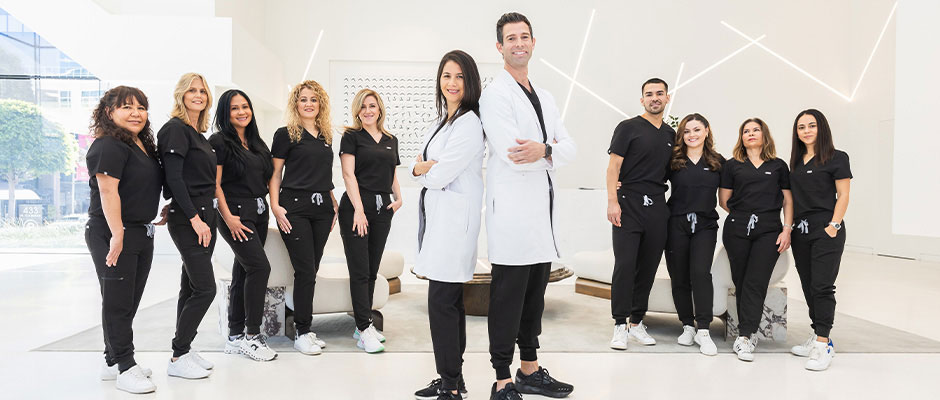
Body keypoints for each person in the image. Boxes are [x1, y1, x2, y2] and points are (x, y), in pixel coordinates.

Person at [479, 12, 576, 400]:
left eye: (524, 37)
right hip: (512, 214)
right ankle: (502, 379)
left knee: (535, 298)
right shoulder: (494, 94)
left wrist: (545, 149)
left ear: (533, 43)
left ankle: (529, 371)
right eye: (511, 38)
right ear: (500, 47)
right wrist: (549, 152)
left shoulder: (546, 97)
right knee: (508, 299)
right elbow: (513, 153)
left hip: (540, 216)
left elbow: (570, 147)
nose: (519, 43)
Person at [411, 50, 485, 400]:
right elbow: (418, 166)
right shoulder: (443, 121)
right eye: (446, 75)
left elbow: (438, 175)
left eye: (459, 76)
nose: (452, 83)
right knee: (450, 302)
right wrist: (421, 169)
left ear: (470, 82)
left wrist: (423, 170)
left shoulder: (469, 123)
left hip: (454, 224)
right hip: (441, 221)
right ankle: (453, 378)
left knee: (442, 302)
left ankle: (450, 385)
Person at [86, 86, 162, 394]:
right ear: (109, 112)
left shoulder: (140, 145)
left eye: (141, 108)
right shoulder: (108, 145)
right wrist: (117, 233)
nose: (136, 113)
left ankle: (112, 360)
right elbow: (108, 192)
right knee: (117, 302)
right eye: (127, 107)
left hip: (140, 231)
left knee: (128, 301)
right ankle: (126, 366)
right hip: (112, 231)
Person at [269, 80, 337, 355]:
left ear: (321, 104)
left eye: (313, 99)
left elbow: (323, 173)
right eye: (303, 99)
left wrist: (332, 201)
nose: (309, 104)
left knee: (312, 269)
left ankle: (305, 328)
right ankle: (302, 331)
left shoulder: (326, 135)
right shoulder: (285, 134)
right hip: (294, 208)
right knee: (305, 270)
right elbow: (275, 174)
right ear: (295, 104)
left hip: (323, 209)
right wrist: (275, 206)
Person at [605, 78, 674, 350]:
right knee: (625, 265)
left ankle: (636, 323)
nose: (654, 98)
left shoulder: (670, 135)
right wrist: (612, 201)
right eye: (649, 94)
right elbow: (613, 167)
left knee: (648, 267)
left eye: (659, 93)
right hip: (628, 204)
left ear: (667, 98)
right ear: (642, 99)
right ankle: (619, 325)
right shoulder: (628, 127)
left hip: (657, 206)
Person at [157, 72, 218, 378]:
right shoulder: (174, 130)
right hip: (190, 218)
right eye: (192, 90)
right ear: (181, 94)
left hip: (206, 213)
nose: (198, 95)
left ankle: (184, 348)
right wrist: (194, 218)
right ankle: (178, 355)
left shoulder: (197, 134)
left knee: (191, 286)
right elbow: (174, 178)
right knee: (206, 289)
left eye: (202, 91)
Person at [209, 89, 277, 362]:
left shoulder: (257, 142)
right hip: (235, 213)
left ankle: (235, 335)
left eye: (245, 106)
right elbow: (215, 184)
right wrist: (228, 217)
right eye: (234, 108)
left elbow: (269, 178)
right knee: (260, 267)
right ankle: (252, 335)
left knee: (243, 271)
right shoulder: (219, 141)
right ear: (225, 113)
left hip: (259, 212)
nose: (241, 112)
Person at [718, 117, 793, 362]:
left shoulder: (778, 166)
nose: (750, 134)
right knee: (741, 281)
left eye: (755, 130)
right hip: (737, 229)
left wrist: (786, 229)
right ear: (741, 137)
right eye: (746, 131)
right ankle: (747, 333)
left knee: (756, 281)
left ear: (764, 135)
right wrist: (744, 215)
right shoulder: (732, 165)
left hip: (769, 230)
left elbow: (788, 201)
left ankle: (745, 335)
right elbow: (724, 201)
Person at [338, 89, 402, 354]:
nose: (367, 111)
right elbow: (348, 174)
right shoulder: (351, 137)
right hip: (356, 209)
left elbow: (392, 172)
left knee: (372, 269)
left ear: (379, 109)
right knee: (360, 270)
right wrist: (359, 210)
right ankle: (364, 328)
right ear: (357, 110)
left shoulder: (390, 139)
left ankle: (362, 324)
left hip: (383, 209)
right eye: (363, 106)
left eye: (372, 106)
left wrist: (399, 198)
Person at [788, 109, 851, 371]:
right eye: (801, 127)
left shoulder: (837, 157)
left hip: (826, 229)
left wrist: (833, 226)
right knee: (808, 286)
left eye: (811, 125)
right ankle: (817, 334)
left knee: (823, 286)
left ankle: (823, 344)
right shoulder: (796, 161)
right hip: (801, 231)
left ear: (821, 127)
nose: (806, 131)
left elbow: (843, 194)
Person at [663, 113, 723, 356]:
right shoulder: (673, 160)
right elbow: (650, 180)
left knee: (700, 273)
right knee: (679, 276)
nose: (692, 135)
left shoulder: (718, 162)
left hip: (705, 226)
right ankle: (687, 325)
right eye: (687, 131)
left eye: (697, 130)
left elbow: (731, 194)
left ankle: (704, 330)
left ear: (706, 131)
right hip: (676, 224)